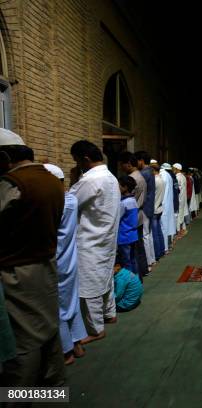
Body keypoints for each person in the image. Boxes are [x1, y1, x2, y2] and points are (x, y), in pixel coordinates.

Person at [0, 129, 65, 386]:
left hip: (18, 273)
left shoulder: (13, 183)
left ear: (4, 157)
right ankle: (54, 389)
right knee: (48, 331)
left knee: (22, 343)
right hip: (46, 266)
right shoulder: (50, 179)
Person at [69, 140, 121, 344]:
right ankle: (110, 313)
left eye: (76, 161)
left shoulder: (89, 180)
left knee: (89, 285)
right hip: (106, 237)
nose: (76, 165)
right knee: (105, 277)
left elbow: (70, 204)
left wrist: (74, 180)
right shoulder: (110, 177)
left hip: (90, 239)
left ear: (85, 159)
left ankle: (96, 328)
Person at [44, 163, 87, 366]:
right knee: (71, 301)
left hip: (57, 259)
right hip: (70, 258)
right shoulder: (71, 199)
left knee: (57, 305)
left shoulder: (57, 202)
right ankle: (77, 344)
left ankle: (66, 351)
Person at [119, 152, 148, 278]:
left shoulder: (133, 179)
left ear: (128, 164)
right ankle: (141, 272)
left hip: (130, 218)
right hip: (138, 214)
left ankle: (134, 278)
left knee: (131, 254)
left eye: (122, 164)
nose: (121, 167)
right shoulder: (140, 176)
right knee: (137, 249)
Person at [135, 151, 156, 268]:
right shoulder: (150, 172)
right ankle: (151, 259)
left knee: (145, 235)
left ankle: (148, 261)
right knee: (148, 234)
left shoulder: (144, 173)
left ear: (141, 161)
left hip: (145, 207)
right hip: (150, 205)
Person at [116, 176, 139, 277]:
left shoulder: (123, 203)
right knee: (133, 259)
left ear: (125, 187)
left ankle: (129, 282)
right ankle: (136, 281)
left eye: (119, 186)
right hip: (133, 235)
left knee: (126, 262)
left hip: (124, 236)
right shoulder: (133, 200)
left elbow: (117, 218)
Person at [160, 163, 177, 253]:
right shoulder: (169, 176)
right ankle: (166, 246)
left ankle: (164, 248)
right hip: (167, 204)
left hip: (164, 205)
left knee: (163, 227)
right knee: (166, 227)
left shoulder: (163, 175)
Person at [151, 163, 166, 260]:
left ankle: (157, 253)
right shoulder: (162, 180)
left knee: (155, 233)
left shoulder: (155, 181)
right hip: (159, 207)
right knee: (159, 231)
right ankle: (161, 250)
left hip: (154, 208)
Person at [173, 163, 188, 236]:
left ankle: (178, 231)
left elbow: (177, 189)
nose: (173, 170)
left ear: (176, 169)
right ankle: (183, 228)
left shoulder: (177, 177)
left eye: (173, 168)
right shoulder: (183, 176)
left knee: (178, 215)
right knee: (182, 213)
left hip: (179, 198)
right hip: (183, 198)